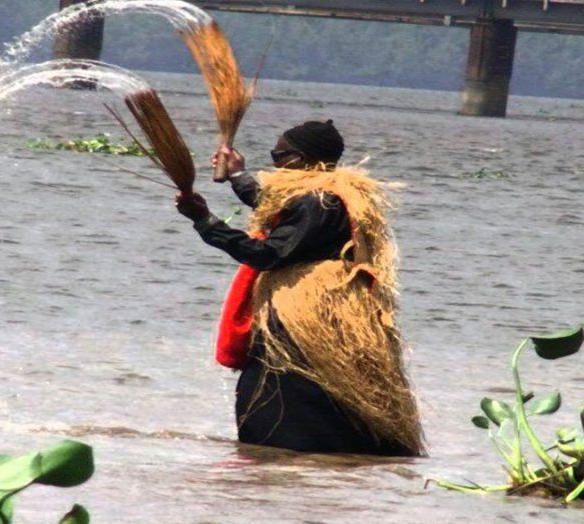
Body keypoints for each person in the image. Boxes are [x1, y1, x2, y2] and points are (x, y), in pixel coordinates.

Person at [175, 120, 425, 457]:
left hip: (304, 317)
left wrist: (205, 221)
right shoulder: (331, 193)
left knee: (285, 388)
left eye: (280, 155)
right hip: (332, 310)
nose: (276, 164)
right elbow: (280, 207)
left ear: (303, 159)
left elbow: (267, 254)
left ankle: (293, 454)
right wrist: (238, 176)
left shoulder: (319, 201)